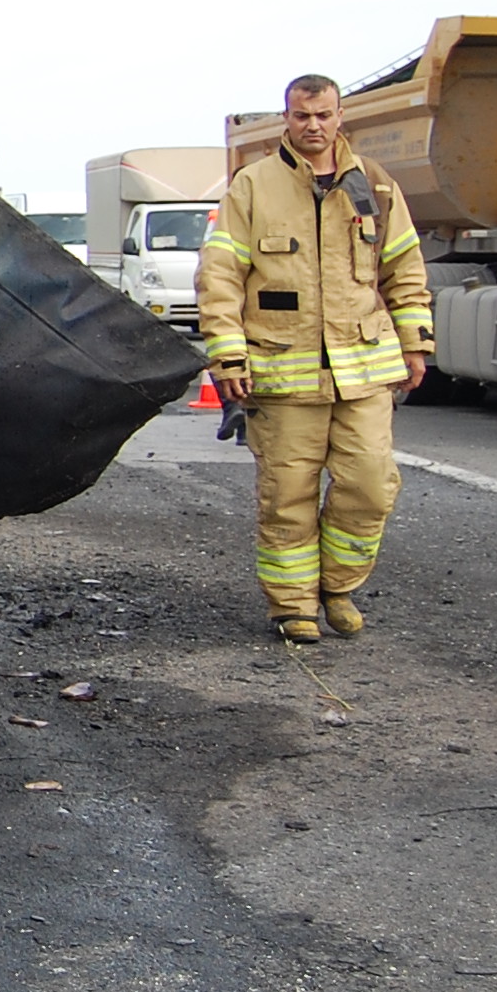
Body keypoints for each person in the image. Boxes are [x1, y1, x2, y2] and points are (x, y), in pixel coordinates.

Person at [198, 75, 433, 641]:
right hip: (282, 376)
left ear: (339, 116)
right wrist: (228, 356)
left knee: (371, 483)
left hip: (364, 370)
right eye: (303, 115)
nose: (314, 126)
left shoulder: (374, 186)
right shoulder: (252, 187)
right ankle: (293, 606)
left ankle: (339, 588)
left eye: (323, 115)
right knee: (288, 496)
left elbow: (404, 268)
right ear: (287, 118)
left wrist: (416, 341)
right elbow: (221, 276)